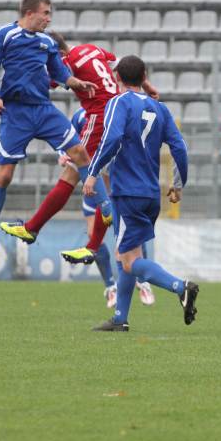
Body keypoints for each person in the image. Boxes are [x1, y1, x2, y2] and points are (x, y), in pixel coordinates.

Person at [0, 33, 157, 256]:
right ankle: (92, 246)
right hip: (122, 114)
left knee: (71, 174)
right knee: (106, 180)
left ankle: (32, 228)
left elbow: (44, 84)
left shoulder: (65, 63)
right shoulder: (92, 49)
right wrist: (147, 85)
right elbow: (121, 63)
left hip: (100, 118)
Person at [0, 0, 97, 266]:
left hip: (43, 109)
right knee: (5, 176)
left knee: (80, 153)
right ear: (29, 13)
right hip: (15, 112)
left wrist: (75, 82)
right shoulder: (4, 35)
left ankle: (108, 210)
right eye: (45, 13)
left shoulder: (46, 42)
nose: (49, 18)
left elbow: (58, 73)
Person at [85, 55, 198, 332]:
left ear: (116, 79)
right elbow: (180, 148)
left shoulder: (118, 103)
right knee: (125, 255)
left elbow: (110, 139)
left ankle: (180, 287)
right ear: (144, 75)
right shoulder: (160, 109)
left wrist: (92, 172)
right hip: (150, 194)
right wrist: (178, 184)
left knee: (129, 260)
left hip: (127, 192)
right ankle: (120, 319)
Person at [57, 107, 156, 308]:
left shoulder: (119, 113)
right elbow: (67, 141)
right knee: (94, 234)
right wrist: (63, 155)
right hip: (93, 190)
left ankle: (143, 282)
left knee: (132, 235)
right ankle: (110, 287)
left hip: (119, 189)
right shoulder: (80, 116)